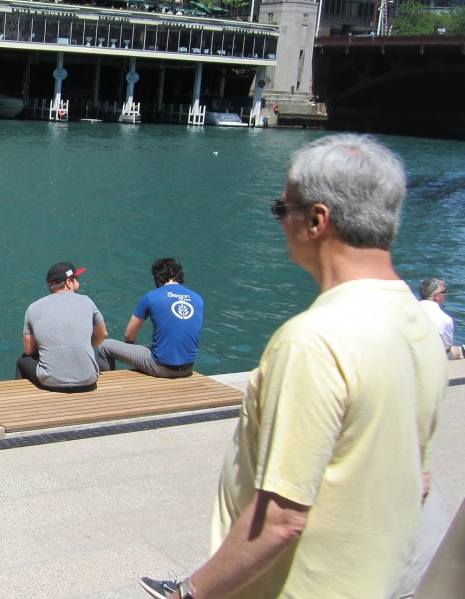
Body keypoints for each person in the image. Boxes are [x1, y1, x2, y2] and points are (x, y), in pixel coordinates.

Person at [140, 134, 447, 599]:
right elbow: (417, 480)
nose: (280, 221)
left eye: (283, 209)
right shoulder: (418, 324)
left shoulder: (314, 341)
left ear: (318, 220)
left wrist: (189, 592)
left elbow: (281, 520)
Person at [98, 258, 203, 378]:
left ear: (157, 277)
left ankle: (108, 386)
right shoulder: (198, 298)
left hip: (162, 367)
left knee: (105, 346)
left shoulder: (151, 297)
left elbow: (129, 334)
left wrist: (129, 347)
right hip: (188, 367)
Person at [16, 262, 109, 392]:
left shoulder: (33, 308)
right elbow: (103, 334)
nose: (78, 281)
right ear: (68, 282)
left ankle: (21, 401)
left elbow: (29, 350)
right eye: (77, 278)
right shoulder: (87, 301)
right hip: (89, 380)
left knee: (22, 360)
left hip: (51, 382)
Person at [418, 278, 462, 359]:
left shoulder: (408, 309)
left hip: (408, 352)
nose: (446, 294)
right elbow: (446, 349)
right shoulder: (445, 319)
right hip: (428, 357)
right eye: (444, 292)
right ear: (436, 296)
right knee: (456, 351)